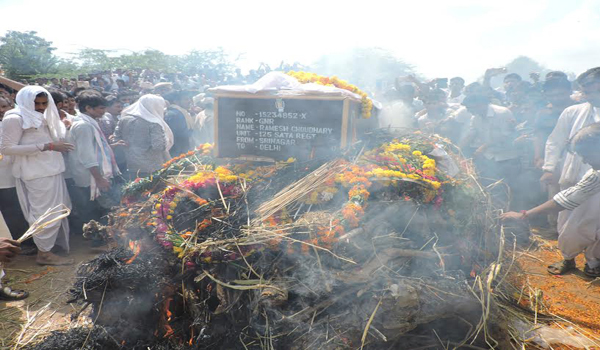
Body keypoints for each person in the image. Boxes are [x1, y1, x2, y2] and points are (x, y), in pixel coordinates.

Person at [502, 123, 600, 277]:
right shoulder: (595, 173)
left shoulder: (597, 175)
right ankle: (572, 260)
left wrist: (524, 214)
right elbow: (569, 197)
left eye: (587, 155)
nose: (585, 161)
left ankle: (594, 263)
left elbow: (562, 202)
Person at [0, 86, 74, 265]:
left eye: (44, 103)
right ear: (25, 101)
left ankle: (49, 248)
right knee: (44, 213)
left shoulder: (41, 115)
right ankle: (44, 254)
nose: (40, 107)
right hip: (35, 173)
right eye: (36, 103)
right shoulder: (15, 118)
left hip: (51, 169)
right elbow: (6, 148)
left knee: (58, 210)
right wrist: (47, 146)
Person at [67, 91, 122, 232]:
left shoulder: (89, 123)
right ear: (88, 109)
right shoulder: (84, 126)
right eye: (101, 108)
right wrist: (99, 178)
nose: (104, 111)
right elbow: (87, 155)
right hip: (89, 176)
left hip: (92, 174)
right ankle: (95, 238)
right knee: (92, 211)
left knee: (97, 209)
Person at [114, 94, 172, 179]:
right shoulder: (154, 123)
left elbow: (116, 139)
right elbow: (159, 146)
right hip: (152, 167)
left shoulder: (125, 119)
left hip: (131, 165)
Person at [0, 96, 29, 241]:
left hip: (16, 176)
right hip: (3, 180)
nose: (1, 110)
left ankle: (26, 242)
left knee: (19, 211)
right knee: (9, 212)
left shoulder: (15, 124)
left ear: (11, 106)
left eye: (4, 106)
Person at [164, 90, 194, 157]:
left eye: (189, 99)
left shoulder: (179, 112)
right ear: (176, 101)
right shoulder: (175, 114)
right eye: (186, 99)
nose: (189, 101)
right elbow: (178, 135)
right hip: (177, 152)